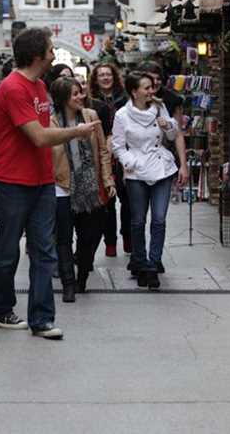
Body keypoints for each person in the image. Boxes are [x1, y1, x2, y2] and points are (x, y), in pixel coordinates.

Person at [0, 28, 98, 340]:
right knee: (8, 250)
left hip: (42, 180)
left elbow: (47, 129)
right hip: (10, 181)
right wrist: (77, 131)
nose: (53, 53)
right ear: (37, 55)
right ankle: (0, 307)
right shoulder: (13, 88)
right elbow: (39, 136)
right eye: (50, 49)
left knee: (44, 251)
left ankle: (42, 319)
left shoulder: (40, 87)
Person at [111, 71, 188, 289]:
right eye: (146, 88)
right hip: (136, 172)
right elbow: (117, 146)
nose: (151, 91)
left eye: (152, 87)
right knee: (137, 221)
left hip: (161, 167)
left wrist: (168, 126)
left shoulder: (159, 107)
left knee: (159, 219)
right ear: (134, 91)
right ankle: (140, 261)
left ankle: (153, 264)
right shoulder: (122, 115)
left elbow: (173, 136)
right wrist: (131, 162)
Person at [49, 77, 115, 302]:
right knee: (64, 239)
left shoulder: (91, 116)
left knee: (90, 236)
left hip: (89, 186)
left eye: (81, 92)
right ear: (62, 98)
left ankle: (83, 274)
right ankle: (68, 283)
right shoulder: (50, 122)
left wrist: (107, 179)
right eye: (74, 93)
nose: (80, 96)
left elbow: (103, 151)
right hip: (62, 187)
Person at [88, 62, 129, 257]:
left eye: (108, 74)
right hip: (103, 157)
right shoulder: (91, 102)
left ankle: (128, 239)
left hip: (124, 155)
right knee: (108, 203)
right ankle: (110, 243)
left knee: (128, 200)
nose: (105, 78)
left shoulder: (125, 99)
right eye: (101, 75)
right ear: (95, 79)